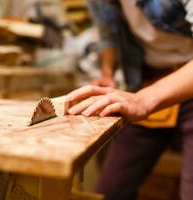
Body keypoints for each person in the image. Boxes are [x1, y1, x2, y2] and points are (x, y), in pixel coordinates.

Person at [67, 1, 193, 200]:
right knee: (110, 191)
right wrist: (107, 72)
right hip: (148, 81)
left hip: (185, 82)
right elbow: (109, 34)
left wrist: (143, 101)